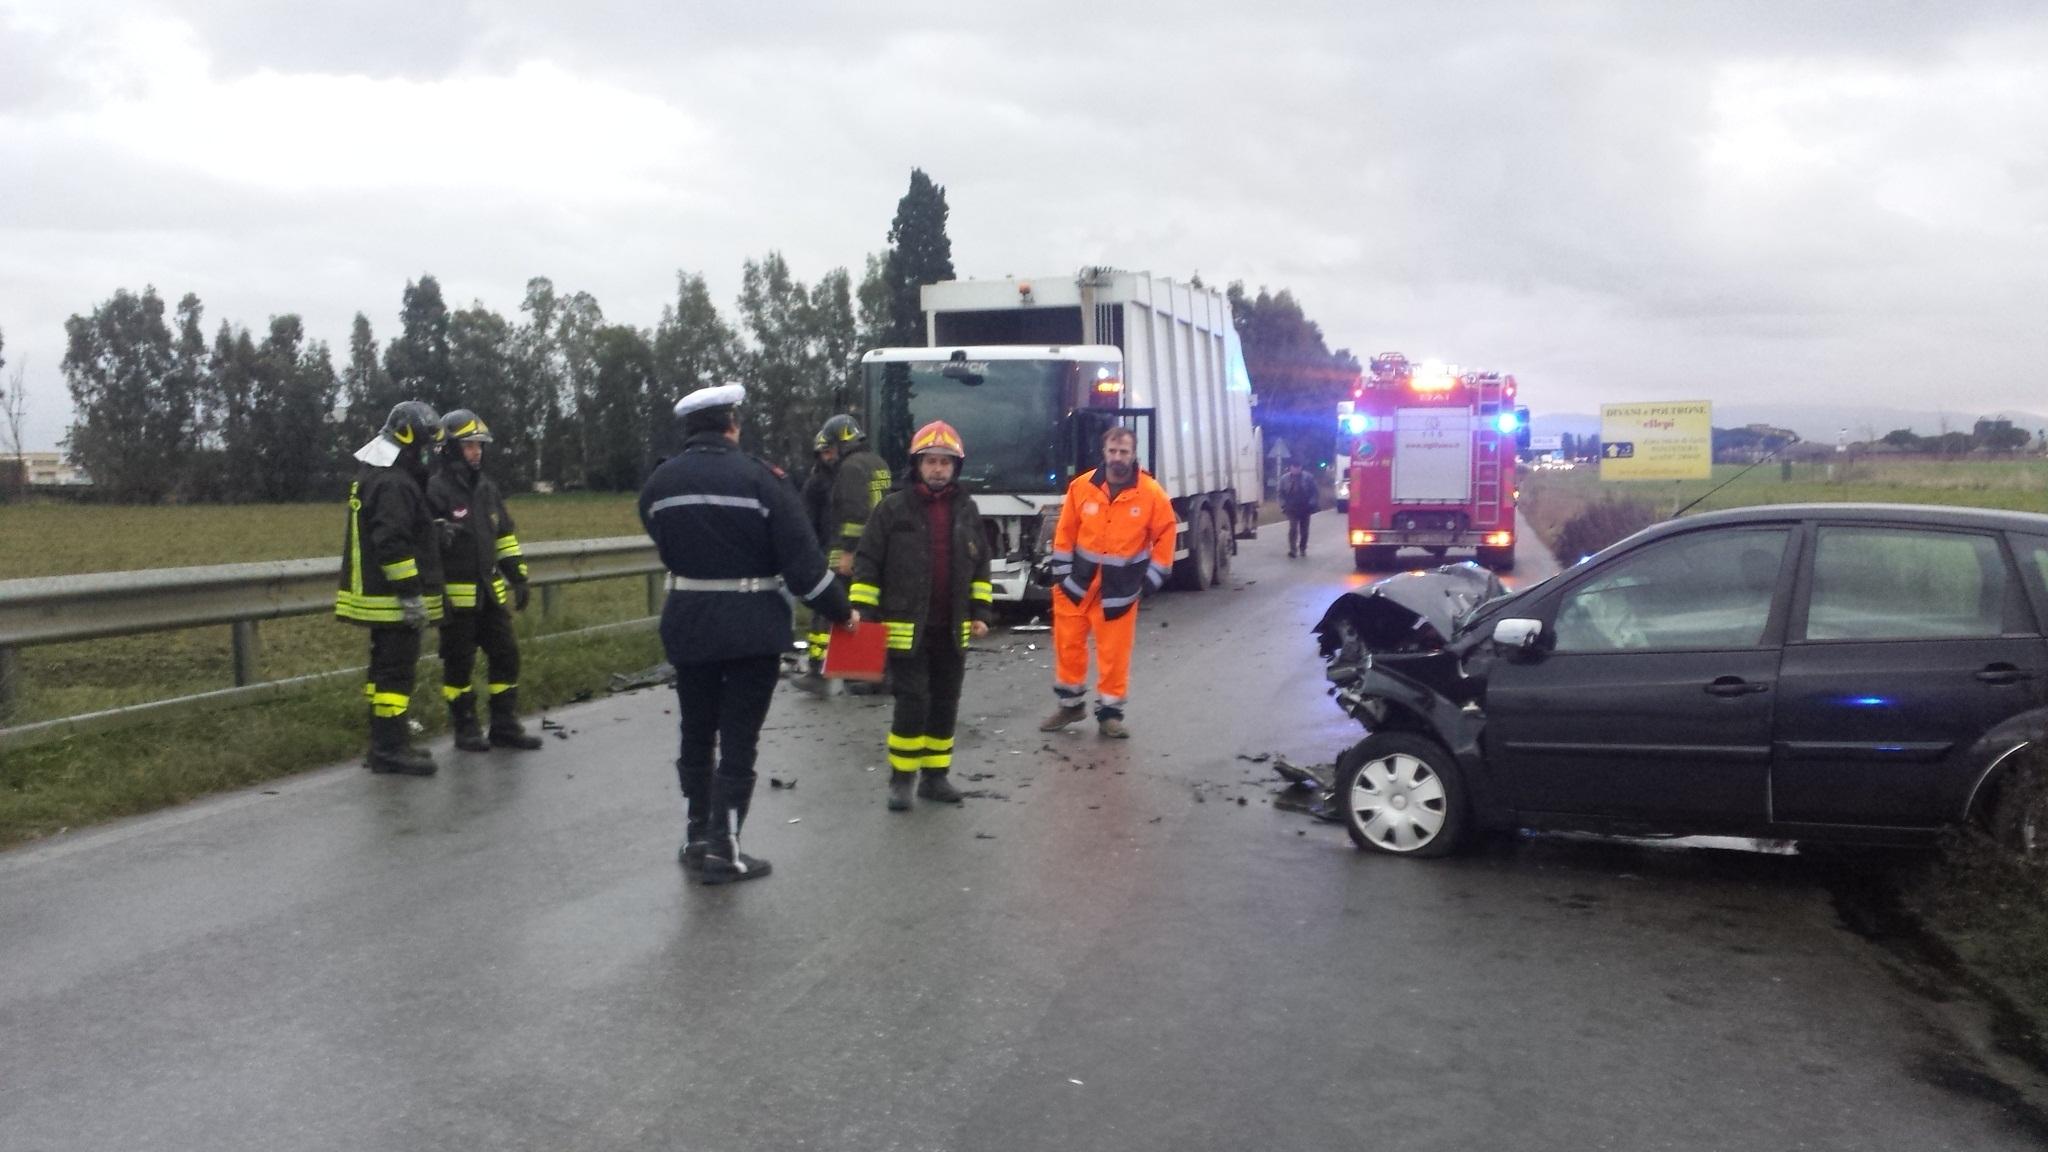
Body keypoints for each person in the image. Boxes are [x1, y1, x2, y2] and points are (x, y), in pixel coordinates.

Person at [639, 383, 855, 885]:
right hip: (750, 628)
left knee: (695, 731)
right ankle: (725, 847)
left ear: (691, 429)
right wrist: (840, 611)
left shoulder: (660, 484)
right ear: (732, 424)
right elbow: (803, 568)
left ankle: (696, 835)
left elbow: (658, 531)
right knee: (738, 739)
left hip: (687, 622)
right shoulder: (764, 480)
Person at [848, 420, 994, 811]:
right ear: (916, 464)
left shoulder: (967, 509)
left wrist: (981, 611)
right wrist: (862, 612)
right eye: (930, 461)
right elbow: (867, 563)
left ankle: (935, 777)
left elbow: (981, 566)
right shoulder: (892, 508)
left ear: (955, 468)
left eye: (945, 462)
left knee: (946, 702)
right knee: (913, 702)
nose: (938, 469)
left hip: (953, 629)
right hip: (903, 629)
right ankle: (901, 779)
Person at [1041, 425, 1177, 739]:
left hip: (1120, 590)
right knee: (1068, 646)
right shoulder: (1081, 487)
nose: (1117, 457)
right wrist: (1061, 576)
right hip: (1076, 585)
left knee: (1114, 654)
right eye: (1112, 451)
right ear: (1104, 452)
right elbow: (1065, 533)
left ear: (1133, 454)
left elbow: (1166, 534)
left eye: (1124, 452)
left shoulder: (1151, 493)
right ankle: (1070, 705)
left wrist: (1152, 580)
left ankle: (1110, 714)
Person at [335, 400, 446, 775]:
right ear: (408, 438)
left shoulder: (380, 474)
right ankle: (389, 749)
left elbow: (398, 530)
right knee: (395, 676)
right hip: (392, 600)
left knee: (382, 673)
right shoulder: (395, 482)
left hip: (379, 597)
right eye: (427, 446)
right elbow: (393, 542)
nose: (430, 455)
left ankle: (385, 743)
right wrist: (411, 593)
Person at [426, 409, 543, 754]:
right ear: (449, 448)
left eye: (479, 446)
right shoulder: (435, 490)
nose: (476, 452)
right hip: (455, 601)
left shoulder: (487, 489)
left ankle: (504, 725)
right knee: (458, 665)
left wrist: (518, 578)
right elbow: (425, 545)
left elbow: (504, 537)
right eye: (469, 446)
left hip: (489, 596)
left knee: (506, 655)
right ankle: (465, 728)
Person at [795, 413, 890, 698]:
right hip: (879, 548)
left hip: (851, 551)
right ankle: (869, 673)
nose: (830, 456)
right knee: (868, 609)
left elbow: (853, 514)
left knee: (829, 606)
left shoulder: (849, 469)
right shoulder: (877, 462)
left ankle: (818, 672)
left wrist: (848, 551)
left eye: (832, 449)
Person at [1278, 458, 1320, 558]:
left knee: (1304, 530)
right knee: (1293, 528)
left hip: (1305, 507)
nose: (1296, 470)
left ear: (1301, 468)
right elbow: (1280, 493)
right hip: (1291, 507)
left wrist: (1312, 503)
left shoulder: (1308, 478)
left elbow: (1315, 492)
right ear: (1290, 468)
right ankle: (1293, 549)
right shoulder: (1284, 479)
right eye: (1294, 468)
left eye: (1298, 468)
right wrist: (1283, 504)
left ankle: (1303, 547)